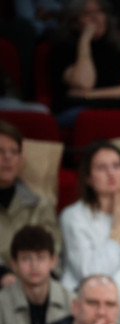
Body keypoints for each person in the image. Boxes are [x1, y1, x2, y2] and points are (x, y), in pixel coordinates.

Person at [59, 141, 120, 290]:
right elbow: (94, 276)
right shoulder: (73, 217)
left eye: (116, 166)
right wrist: (119, 227)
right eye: (101, 168)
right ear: (88, 178)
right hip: (82, 297)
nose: (111, 173)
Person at [49, 0, 120, 127]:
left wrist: (89, 95)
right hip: (79, 110)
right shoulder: (62, 50)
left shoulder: (119, 50)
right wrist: (84, 40)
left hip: (115, 107)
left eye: (100, 12)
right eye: (88, 13)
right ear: (74, 22)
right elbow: (83, 83)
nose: (96, 18)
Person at [0, 120, 60, 288]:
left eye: (14, 152)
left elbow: (53, 247)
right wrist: (2, 274)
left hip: (33, 283)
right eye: (0, 151)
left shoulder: (41, 204)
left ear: (21, 159)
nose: (8, 157)